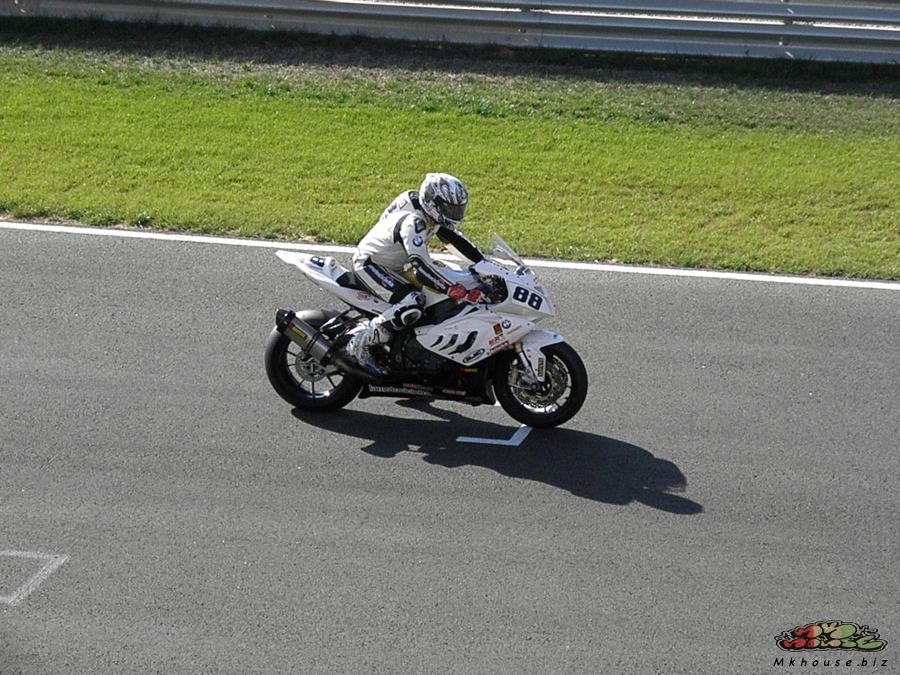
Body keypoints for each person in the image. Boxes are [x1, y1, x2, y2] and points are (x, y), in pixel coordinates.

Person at [347, 172, 484, 376]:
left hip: (397, 266)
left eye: (458, 209)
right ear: (434, 203)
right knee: (414, 300)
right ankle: (360, 343)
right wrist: (451, 288)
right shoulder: (414, 223)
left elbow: (456, 241)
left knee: (439, 290)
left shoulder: (431, 215)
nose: (455, 214)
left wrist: (485, 266)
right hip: (370, 264)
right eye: (450, 208)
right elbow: (421, 267)